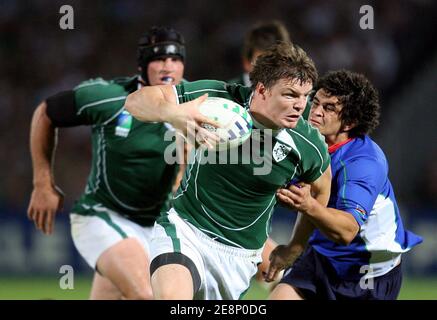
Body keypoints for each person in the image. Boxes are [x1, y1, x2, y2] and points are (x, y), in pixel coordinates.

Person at [124, 42, 332, 300]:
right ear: (262, 89)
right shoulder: (217, 99)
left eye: (305, 96)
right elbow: (136, 101)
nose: (301, 105)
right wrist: (174, 113)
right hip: (186, 230)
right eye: (290, 95)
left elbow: (322, 191)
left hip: (239, 258)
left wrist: (295, 247)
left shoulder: (307, 143)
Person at [27, 26, 187, 300]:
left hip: (158, 226)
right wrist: (42, 182)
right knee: (152, 296)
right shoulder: (111, 98)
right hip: (103, 216)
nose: (167, 66)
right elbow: (46, 113)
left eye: (175, 59)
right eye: (158, 58)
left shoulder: (195, 104)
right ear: (143, 65)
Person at [267, 70, 423, 300]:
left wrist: (308, 205)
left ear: (349, 122)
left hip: (368, 272)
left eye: (329, 108)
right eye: (316, 102)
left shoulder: (363, 163)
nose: (316, 112)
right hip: (322, 257)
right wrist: (294, 248)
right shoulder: (308, 142)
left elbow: (347, 230)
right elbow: (313, 201)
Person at [229, 20, 291, 87]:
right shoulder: (224, 94)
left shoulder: (297, 93)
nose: (270, 72)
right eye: (262, 64)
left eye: (276, 63)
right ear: (246, 63)